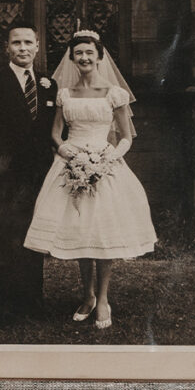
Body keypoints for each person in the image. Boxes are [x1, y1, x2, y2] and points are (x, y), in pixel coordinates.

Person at [24, 29, 157, 329]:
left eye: (89, 52)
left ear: (99, 56)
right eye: (78, 53)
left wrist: (107, 158)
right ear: (72, 58)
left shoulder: (114, 94)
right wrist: (68, 152)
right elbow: (56, 134)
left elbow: (125, 137)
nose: (84, 57)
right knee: (81, 230)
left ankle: (104, 298)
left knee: (102, 232)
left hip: (104, 164)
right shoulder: (64, 94)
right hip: (71, 165)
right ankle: (87, 295)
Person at [0, 22, 57, 325]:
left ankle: (33, 303)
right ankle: (3, 309)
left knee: (34, 239)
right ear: (7, 48)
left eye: (28, 42)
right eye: (16, 43)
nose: (22, 48)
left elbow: (53, 133)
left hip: (39, 177)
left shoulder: (48, 84)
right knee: (4, 240)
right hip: (3, 175)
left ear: (37, 46)